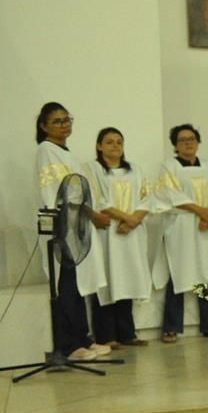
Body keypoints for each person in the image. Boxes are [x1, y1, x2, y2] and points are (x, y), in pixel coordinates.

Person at [33, 103, 112, 361]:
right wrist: (89, 214)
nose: (64, 125)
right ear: (44, 126)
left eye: (67, 120)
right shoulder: (46, 150)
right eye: (57, 121)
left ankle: (83, 339)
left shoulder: (66, 153)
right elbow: (57, 192)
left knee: (77, 286)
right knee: (65, 287)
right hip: (62, 226)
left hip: (76, 226)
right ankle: (68, 345)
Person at [153, 124, 208, 343]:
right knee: (178, 273)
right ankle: (171, 327)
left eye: (191, 139)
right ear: (175, 145)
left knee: (205, 272)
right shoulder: (169, 167)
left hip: (206, 226)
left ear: (198, 141)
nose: (188, 143)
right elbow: (170, 194)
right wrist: (201, 212)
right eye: (182, 140)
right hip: (181, 226)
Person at [85, 127, 152, 348]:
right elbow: (97, 200)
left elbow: (147, 198)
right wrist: (127, 219)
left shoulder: (135, 170)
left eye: (119, 142)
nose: (115, 146)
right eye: (109, 142)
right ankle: (106, 336)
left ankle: (127, 333)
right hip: (108, 233)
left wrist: (134, 220)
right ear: (99, 146)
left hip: (131, 233)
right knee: (107, 280)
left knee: (127, 279)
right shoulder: (93, 169)